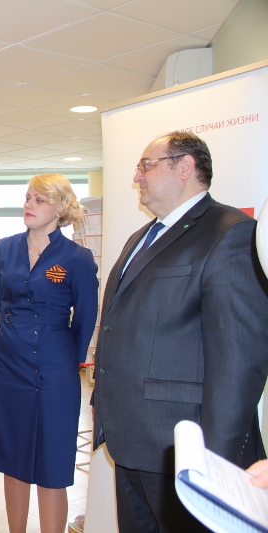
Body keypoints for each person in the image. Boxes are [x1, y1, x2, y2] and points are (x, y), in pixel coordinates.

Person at [92, 131, 268, 533]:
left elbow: (239, 360)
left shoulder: (231, 232)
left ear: (185, 166)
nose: (136, 176)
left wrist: (214, 462)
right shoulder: (142, 237)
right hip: (130, 439)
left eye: (146, 165)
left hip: (185, 450)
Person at [0, 174, 98, 533]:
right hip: (8, 364)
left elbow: (86, 318)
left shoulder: (77, 257)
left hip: (55, 367)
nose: (29, 205)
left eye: (40, 200)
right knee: (12, 457)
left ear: (60, 209)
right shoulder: (4, 248)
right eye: (28, 198)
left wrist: (66, 360)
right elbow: (1, 302)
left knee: (52, 461)